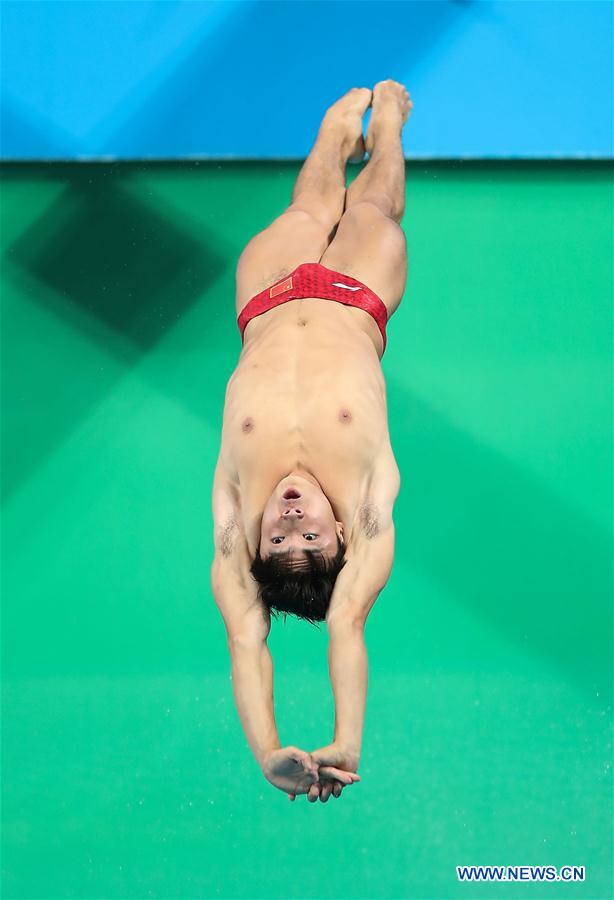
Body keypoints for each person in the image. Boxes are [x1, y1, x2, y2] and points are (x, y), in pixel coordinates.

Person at [211, 80, 412, 802]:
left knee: (308, 207)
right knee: (371, 211)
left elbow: (244, 641)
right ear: (342, 538)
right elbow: (347, 624)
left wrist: (267, 749)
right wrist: (346, 738)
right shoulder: (368, 507)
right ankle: (387, 130)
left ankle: (332, 138)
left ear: (254, 547)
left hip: (265, 299)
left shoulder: (235, 523)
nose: (291, 522)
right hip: (356, 298)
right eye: (310, 540)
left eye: (279, 540)